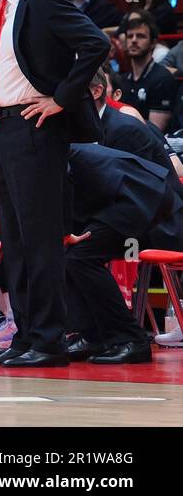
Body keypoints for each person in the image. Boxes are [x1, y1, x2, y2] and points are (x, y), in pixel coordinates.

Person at [0, 0, 109, 369]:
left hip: (37, 126)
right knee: (14, 239)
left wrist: (61, 97)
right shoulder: (0, 8)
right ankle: (26, 336)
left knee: (40, 241)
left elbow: (96, 44)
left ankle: (50, 340)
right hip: (6, 127)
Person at [63, 141, 180, 364]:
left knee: (80, 257)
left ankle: (132, 340)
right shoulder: (36, 148)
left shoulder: (44, 148)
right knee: (73, 257)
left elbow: (63, 187)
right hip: (124, 198)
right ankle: (92, 336)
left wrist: (64, 229)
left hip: (143, 197)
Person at [118, 14, 177, 132]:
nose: (134, 40)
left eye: (140, 36)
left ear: (153, 43)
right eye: (130, 36)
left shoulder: (162, 78)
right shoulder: (122, 80)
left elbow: (155, 131)